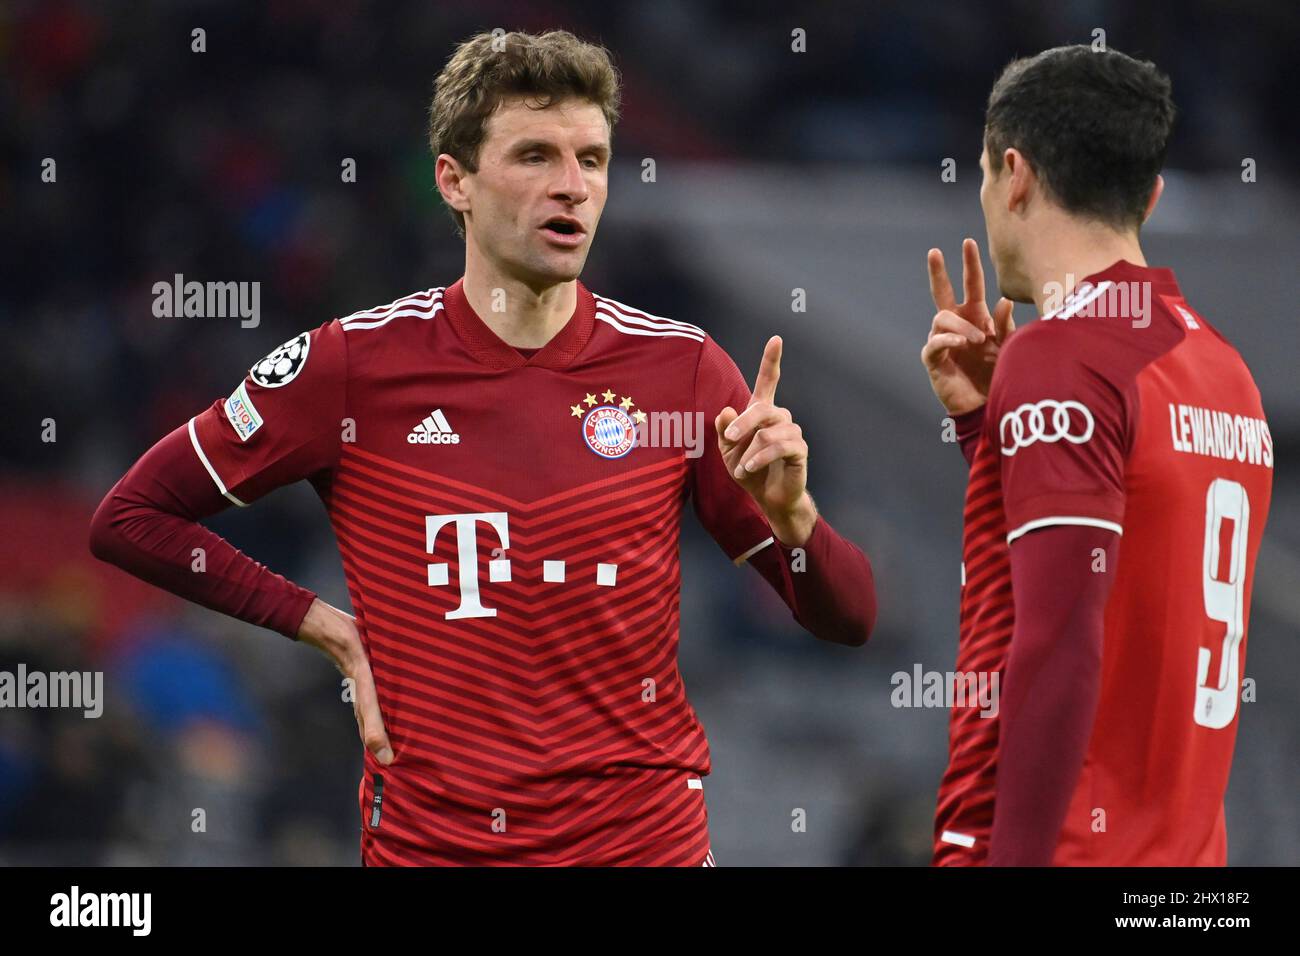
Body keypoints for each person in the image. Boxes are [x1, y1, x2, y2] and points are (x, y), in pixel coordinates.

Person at [90, 29, 876, 866]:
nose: (571, 187)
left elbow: (849, 617)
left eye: (593, 159)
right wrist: (321, 625)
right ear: (453, 181)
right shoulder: (353, 366)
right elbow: (132, 517)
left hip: (641, 848)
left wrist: (793, 518)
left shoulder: (681, 371)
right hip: (435, 848)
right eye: (534, 156)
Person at [920, 45, 1273, 866]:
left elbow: (1061, 643)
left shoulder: (1064, 357)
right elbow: (1121, 579)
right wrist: (988, 432)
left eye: (980, 174)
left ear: (1013, 174)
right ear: (1147, 194)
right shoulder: (1227, 373)